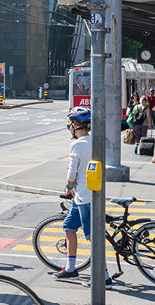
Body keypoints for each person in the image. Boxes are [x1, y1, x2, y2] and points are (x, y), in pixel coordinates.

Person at [53, 106, 113, 287]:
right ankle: (71, 268)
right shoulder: (96, 140)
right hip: (84, 196)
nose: (69, 128)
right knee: (69, 226)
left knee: (93, 237)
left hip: (86, 197)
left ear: (76, 126)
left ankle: (104, 277)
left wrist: (68, 187)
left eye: (70, 124)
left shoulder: (77, 145)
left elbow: (72, 173)